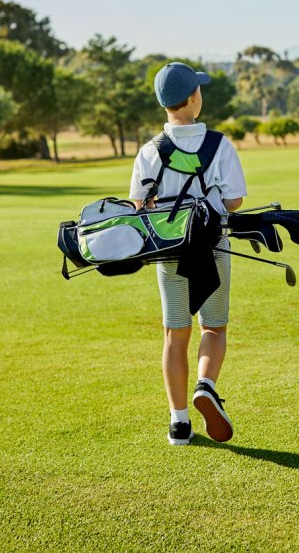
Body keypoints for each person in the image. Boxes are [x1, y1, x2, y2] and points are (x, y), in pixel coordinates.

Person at [130, 62, 248, 446]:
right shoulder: (220, 144)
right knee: (213, 327)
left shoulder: (149, 151)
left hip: (170, 254)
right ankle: (206, 384)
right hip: (213, 248)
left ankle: (179, 422)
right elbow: (234, 201)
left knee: (174, 334)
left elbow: (138, 206)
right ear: (195, 97)